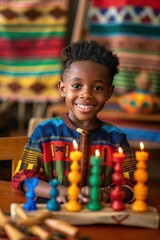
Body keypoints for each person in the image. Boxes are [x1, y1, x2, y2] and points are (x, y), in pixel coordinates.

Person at [12, 40, 136, 204]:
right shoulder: (44, 133)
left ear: (109, 92)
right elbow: (24, 179)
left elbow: (130, 186)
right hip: (52, 215)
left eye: (97, 88)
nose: (86, 95)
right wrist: (60, 191)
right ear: (63, 89)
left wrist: (104, 194)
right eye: (77, 85)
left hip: (100, 219)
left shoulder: (116, 139)